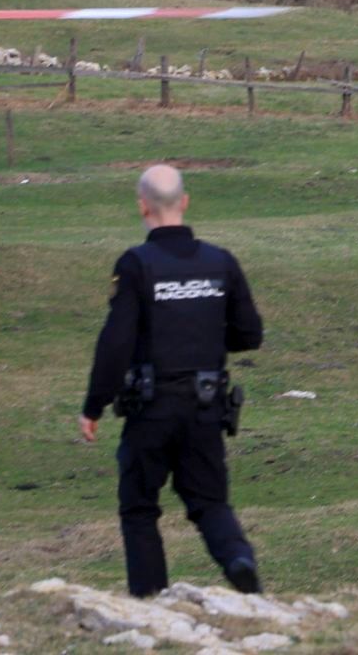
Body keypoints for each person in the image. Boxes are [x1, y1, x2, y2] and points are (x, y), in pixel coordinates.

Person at [79, 164, 265, 598]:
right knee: (209, 502)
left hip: (151, 409)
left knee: (140, 508)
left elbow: (116, 343)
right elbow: (250, 334)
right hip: (206, 407)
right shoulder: (221, 262)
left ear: (143, 206)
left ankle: (149, 599)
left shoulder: (136, 264)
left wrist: (93, 407)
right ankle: (240, 561)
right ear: (184, 202)